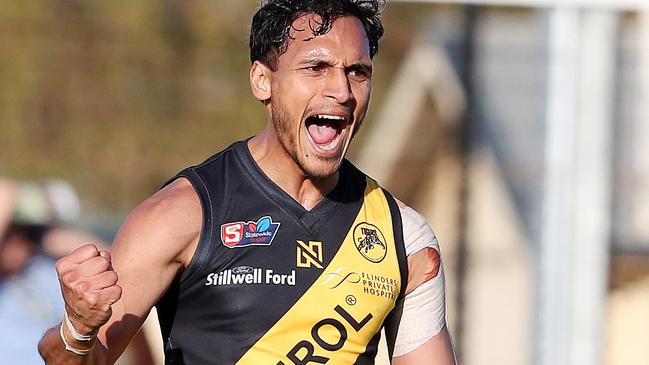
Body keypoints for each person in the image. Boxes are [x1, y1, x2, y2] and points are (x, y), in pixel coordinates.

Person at [38, 1, 457, 364]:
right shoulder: (181, 214)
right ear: (262, 81)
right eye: (317, 67)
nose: (342, 90)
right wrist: (78, 328)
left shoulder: (406, 238)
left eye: (358, 73)